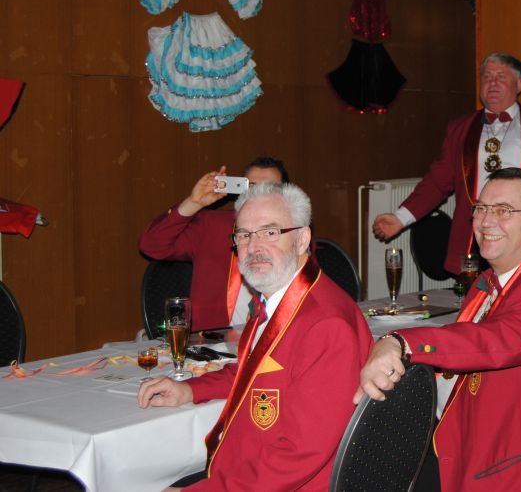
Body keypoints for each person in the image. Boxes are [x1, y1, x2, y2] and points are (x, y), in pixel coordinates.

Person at [357, 168, 521, 491]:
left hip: (493, 455)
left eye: (503, 210)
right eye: (481, 208)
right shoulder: (490, 279)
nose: (486, 221)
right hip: (459, 422)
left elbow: (499, 340)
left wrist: (403, 342)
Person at [138, 182, 372, 491]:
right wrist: (190, 390)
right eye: (244, 235)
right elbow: (255, 371)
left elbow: (300, 454)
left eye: (270, 232)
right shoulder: (278, 299)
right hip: (248, 469)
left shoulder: (325, 324)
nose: (254, 246)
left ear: (302, 239)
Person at [372, 53, 521, 274]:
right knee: (478, 303)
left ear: (519, 84)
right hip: (477, 237)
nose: (492, 83)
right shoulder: (460, 128)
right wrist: (400, 218)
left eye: (501, 77)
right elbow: (437, 181)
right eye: (486, 77)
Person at [139, 157, 289, 331]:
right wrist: (194, 202)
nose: (261, 196)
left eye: (270, 189)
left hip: (278, 337)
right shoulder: (213, 226)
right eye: (252, 188)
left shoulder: (293, 234)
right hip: (217, 342)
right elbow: (151, 244)